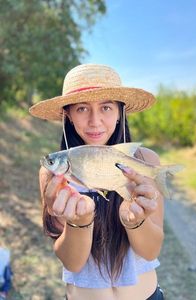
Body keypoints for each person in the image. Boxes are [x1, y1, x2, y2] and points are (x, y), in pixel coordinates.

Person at [29, 64, 165, 300]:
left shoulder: (145, 161)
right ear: (68, 115)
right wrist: (78, 222)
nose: (95, 121)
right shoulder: (53, 174)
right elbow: (73, 262)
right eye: (82, 108)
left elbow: (151, 250)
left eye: (106, 107)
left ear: (120, 112)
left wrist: (136, 222)